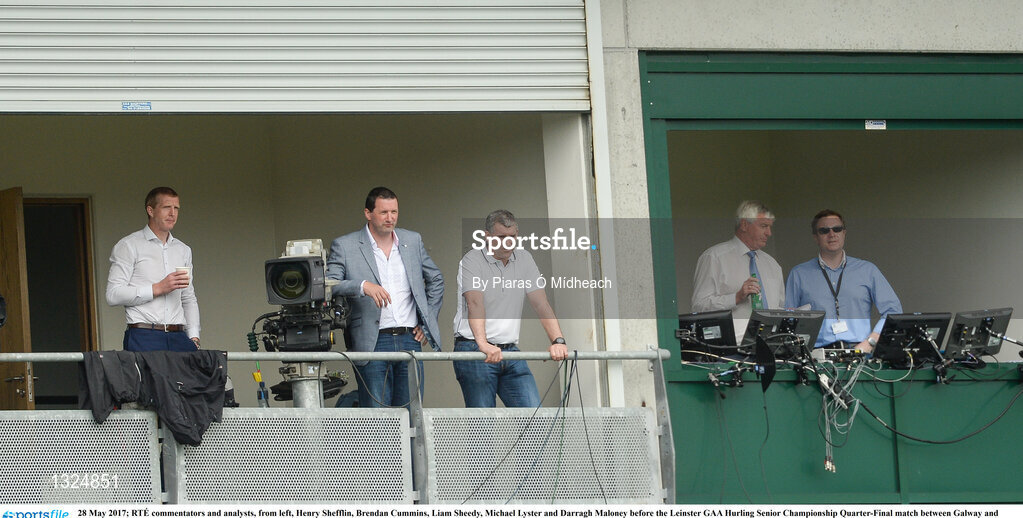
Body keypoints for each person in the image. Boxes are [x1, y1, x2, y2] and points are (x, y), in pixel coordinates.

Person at [326, 187, 444, 408]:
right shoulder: (345, 244)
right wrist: (363, 286)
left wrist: (426, 321)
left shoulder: (412, 240)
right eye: (383, 212)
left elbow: (436, 279)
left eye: (394, 212)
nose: (390, 218)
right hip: (373, 340)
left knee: (411, 413)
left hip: (410, 338)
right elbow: (329, 285)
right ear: (368, 213)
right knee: (377, 417)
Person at [452, 210, 569, 408]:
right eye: (501, 237)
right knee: (483, 426)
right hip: (475, 348)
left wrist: (558, 341)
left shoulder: (524, 259)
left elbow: (541, 303)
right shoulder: (472, 260)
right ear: (487, 237)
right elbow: (474, 303)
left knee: (533, 418)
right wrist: (483, 344)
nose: (508, 243)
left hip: (510, 350)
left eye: (512, 237)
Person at [785, 209, 902, 352]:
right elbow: (787, 321)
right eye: (824, 230)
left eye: (837, 229)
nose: (832, 234)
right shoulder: (799, 274)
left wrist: (871, 341)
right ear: (815, 237)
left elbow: (893, 311)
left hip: (860, 354)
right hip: (817, 357)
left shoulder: (867, 270)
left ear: (844, 233)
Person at [106, 187, 200, 352]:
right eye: (166, 207)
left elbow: (188, 297)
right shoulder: (129, 245)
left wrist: (194, 336)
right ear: (151, 210)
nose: (172, 213)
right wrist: (157, 288)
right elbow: (113, 295)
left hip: (179, 335)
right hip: (144, 334)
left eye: (176, 208)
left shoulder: (183, 249)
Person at [691, 200, 784, 341]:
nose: (769, 233)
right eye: (764, 226)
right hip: (731, 348)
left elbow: (780, 307)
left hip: (771, 347)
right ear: (745, 224)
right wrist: (736, 297)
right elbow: (699, 307)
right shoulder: (714, 257)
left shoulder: (773, 265)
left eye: (770, 227)